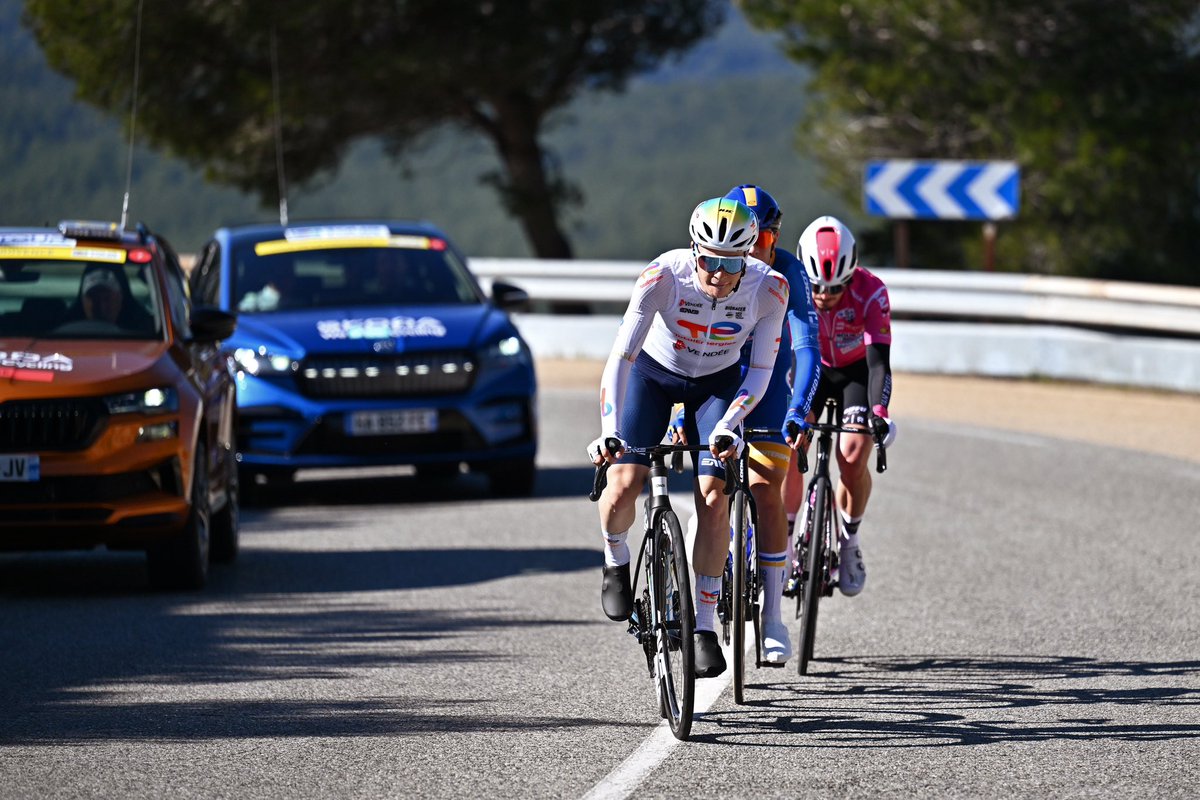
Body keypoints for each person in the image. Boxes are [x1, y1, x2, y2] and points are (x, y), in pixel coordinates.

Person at [588, 196, 788, 679]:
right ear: (694, 251)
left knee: (714, 496)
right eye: (709, 260)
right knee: (624, 482)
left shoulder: (770, 290)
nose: (718, 273)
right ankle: (616, 559)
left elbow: (760, 373)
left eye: (731, 262)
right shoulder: (664, 276)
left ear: (749, 258)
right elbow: (622, 359)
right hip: (653, 376)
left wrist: (726, 427)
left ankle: (702, 626)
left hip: (717, 385)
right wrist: (609, 431)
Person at [671, 184, 821, 665]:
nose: (757, 250)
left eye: (767, 239)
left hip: (767, 386)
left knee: (765, 484)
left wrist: (798, 409)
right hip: (713, 383)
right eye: (754, 239)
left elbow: (805, 348)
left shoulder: (787, 274)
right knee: (710, 491)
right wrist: (678, 408)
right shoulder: (716, 267)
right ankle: (700, 604)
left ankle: (774, 616)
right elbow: (678, 344)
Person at [787, 215, 896, 597]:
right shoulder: (788, 285)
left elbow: (879, 363)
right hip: (810, 370)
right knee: (789, 443)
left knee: (851, 457)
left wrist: (879, 414)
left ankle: (849, 542)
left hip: (855, 375)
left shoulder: (871, 292)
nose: (823, 296)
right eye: (816, 287)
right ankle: (783, 544)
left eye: (835, 288)